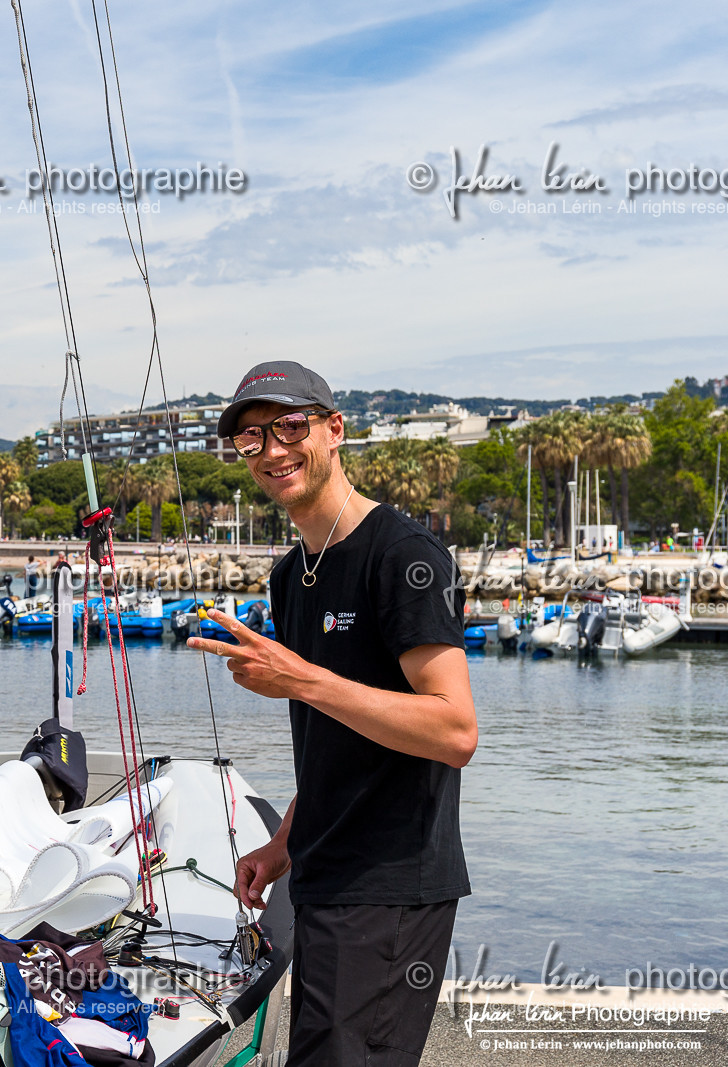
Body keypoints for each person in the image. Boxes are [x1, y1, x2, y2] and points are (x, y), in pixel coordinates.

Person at [189, 361, 476, 1066]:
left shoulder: (403, 554)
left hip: (388, 884)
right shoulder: (293, 573)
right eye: (252, 438)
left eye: (291, 425)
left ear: (334, 430)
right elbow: (336, 744)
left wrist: (304, 678)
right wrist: (285, 841)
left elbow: (455, 729)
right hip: (323, 874)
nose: (273, 449)